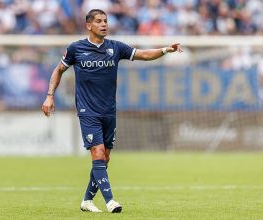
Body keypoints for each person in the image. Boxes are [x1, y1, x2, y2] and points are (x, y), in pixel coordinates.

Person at [42, 9, 183, 213]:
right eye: (99, 21)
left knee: (105, 158)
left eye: (105, 21)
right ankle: (110, 202)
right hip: (87, 110)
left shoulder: (115, 47)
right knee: (97, 153)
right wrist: (49, 95)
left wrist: (165, 49)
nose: (104, 24)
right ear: (89, 25)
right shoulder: (76, 48)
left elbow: (142, 55)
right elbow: (58, 70)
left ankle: (86, 201)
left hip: (109, 111)